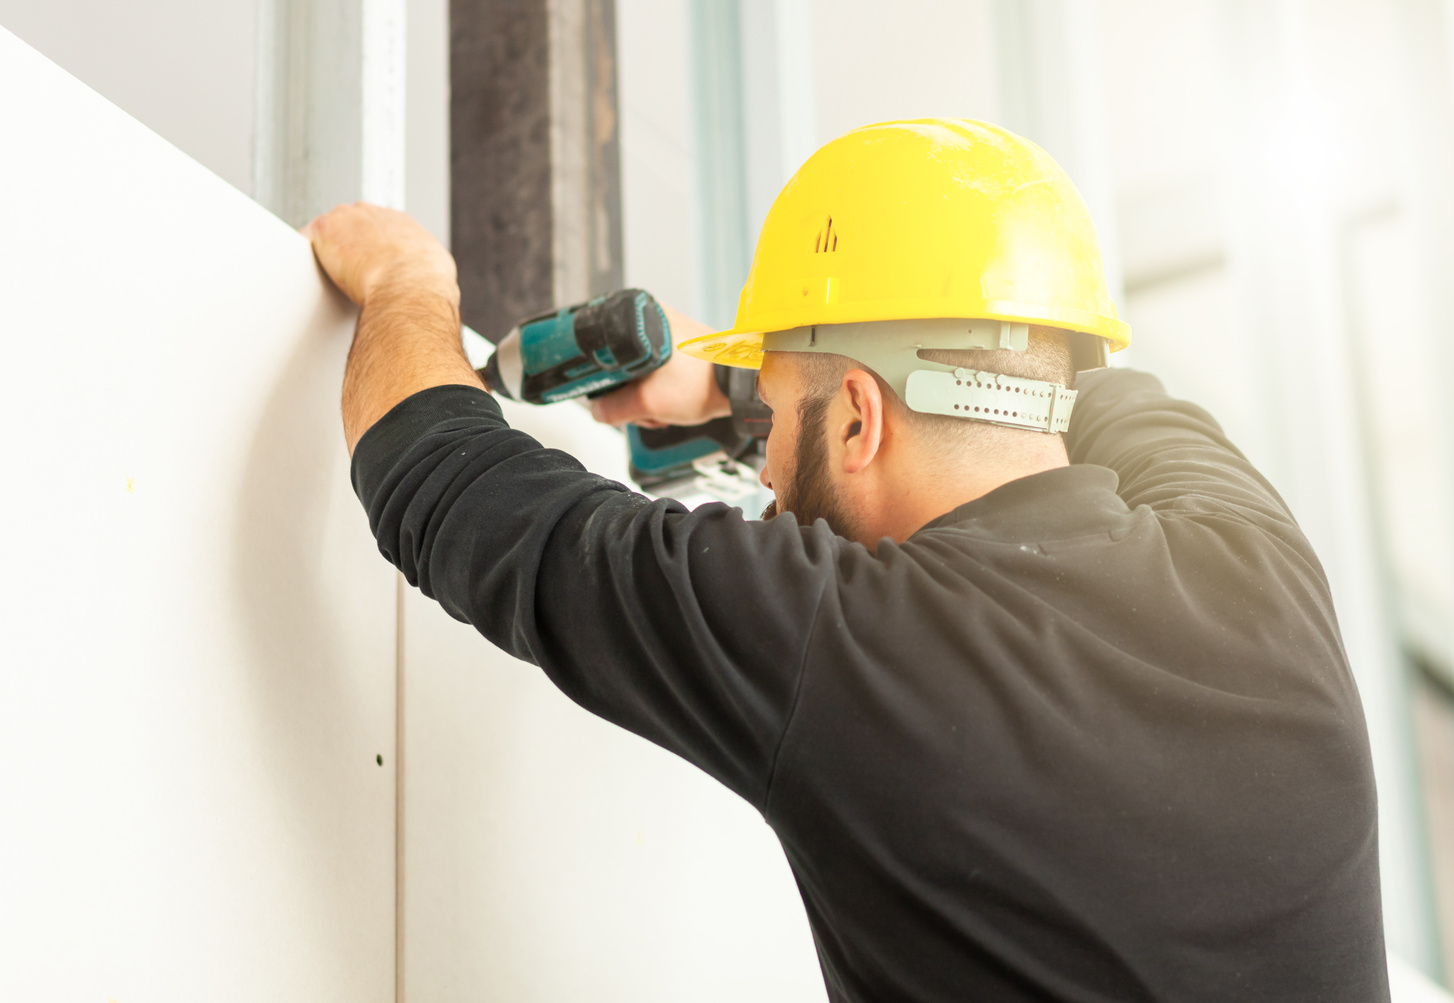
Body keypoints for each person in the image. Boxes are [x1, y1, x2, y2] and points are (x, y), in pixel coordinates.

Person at [305, 119, 1388, 1002]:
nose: (767, 473)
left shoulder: (852, 649)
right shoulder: (1259, 566)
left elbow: (435, 474)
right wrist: (756, 388)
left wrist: (409, 280)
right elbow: (1085, 393)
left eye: (780, 424)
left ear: (860, 421)